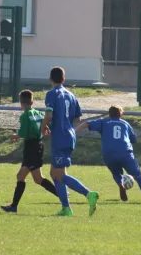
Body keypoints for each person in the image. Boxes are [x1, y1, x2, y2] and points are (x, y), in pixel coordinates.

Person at [40, 67, 99, 216]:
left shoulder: (52, 94)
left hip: (59, 137)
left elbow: (48, 113)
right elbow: (77, 118)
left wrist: (44, 126)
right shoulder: (71, 95)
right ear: (64, 79)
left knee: (59, 175)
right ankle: (66, 208)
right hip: (69, 135)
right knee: (55, 172)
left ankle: (88, 194)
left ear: (50, 79)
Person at [76, 105, 141, 204]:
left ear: (109, 114)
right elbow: (133, 139)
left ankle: (120, 183)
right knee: (138, 175)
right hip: (125, 152)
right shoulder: (125, 124)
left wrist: (74, 132)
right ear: (121, 114)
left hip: (109, 153)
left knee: (116, 173)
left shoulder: (104, 121)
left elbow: (86, 123)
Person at [1, 90, 58, 213]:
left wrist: (14, 136)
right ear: (32, 101)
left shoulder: (25, 116)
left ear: (21, 103)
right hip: (37, 146)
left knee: (31, 177)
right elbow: (45, 125)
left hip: (32, 147)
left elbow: (23, 133)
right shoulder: (38, 113)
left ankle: (62, 195)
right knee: (27, 177)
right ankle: (13, 206)